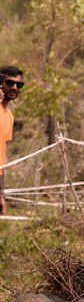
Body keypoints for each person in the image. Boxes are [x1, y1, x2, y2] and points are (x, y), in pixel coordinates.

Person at [0, 66, 23, 214]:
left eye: (19, 85)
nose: (14, 87)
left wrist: (1, 193)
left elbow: (1, 157)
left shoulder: (8, 115)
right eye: (10, 83)